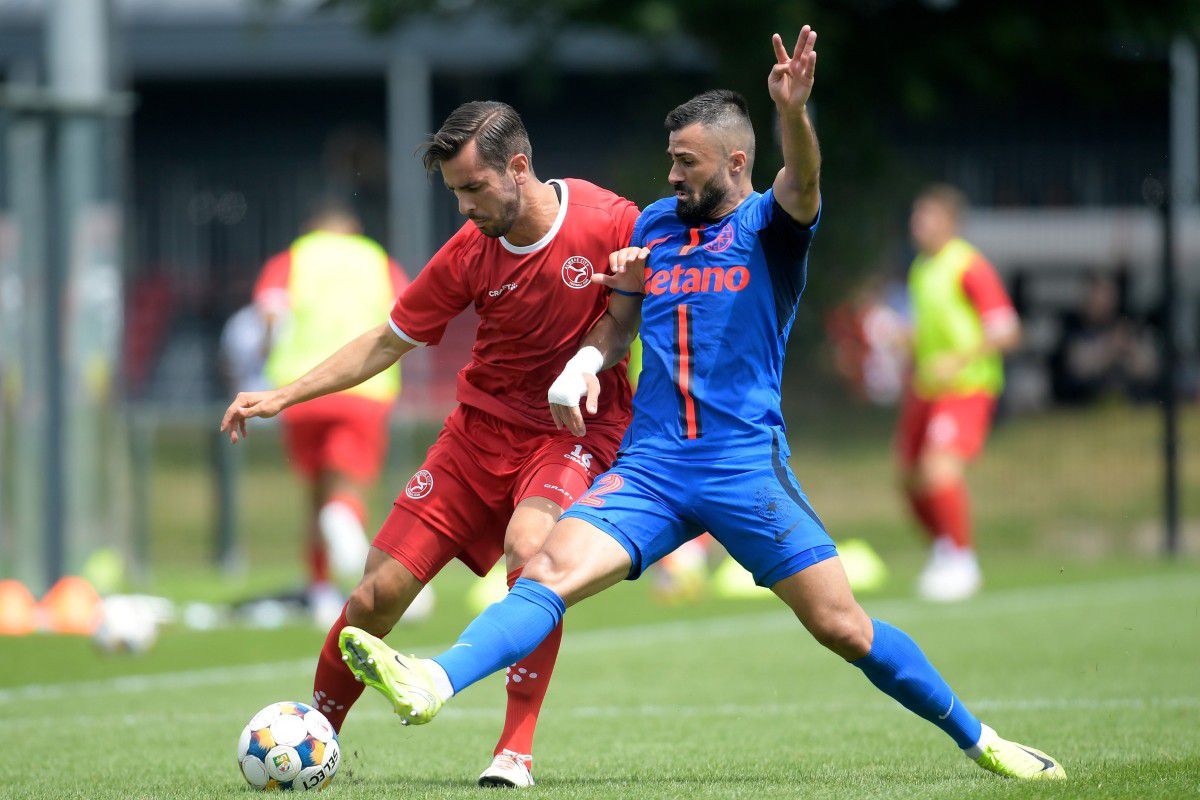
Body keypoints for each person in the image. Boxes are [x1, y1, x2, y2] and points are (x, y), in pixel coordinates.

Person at [336, 29, 1065, 783]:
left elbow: (805, 179)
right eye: (670, 160)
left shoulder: (769, 229)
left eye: (687, 161)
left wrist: (794, 113)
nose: (672, 173)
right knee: (545, 569)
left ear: (736, 162)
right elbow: (619, 320)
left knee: (843, 627)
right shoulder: (652, 227)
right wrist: (586, 360)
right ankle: (434, 682)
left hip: (743, 467)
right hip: (651, 467)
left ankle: (981, 739)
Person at [221, 101, 640, 788]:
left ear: (519, 167)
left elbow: (676, 271)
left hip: (571, 434)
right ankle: (318, 735)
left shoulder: (608, 221)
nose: (464, 207)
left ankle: (514, 752)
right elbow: (388, 339)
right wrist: (284, 394)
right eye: (454, 193)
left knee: (532, 557)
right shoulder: (470, 252)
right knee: (374, 598)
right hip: (475, 436)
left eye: (474, 189)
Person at [252, 204, 409, 624]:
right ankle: (358, 552)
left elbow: (269, 312)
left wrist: (266, 355)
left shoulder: (292, 258)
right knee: (347, 487)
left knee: (315, 491)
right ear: (352, 229)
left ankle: (320, 588)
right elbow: (407, 314)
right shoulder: (375, 259)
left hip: (300, 389)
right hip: (363, 386)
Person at [898, 185, 1020, 602]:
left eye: (926, 217)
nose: (918, 225)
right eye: (916, 217)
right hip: (927, 389)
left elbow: (1006, 330)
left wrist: (959, 360)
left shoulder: (969, 265)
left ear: (950, 223)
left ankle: (962, 561)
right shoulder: (921, 269)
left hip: (966, 387)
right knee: (909, 480)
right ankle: (943, 548)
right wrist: (906, 341)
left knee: (939, 469)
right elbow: (932, 331)